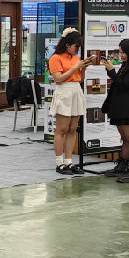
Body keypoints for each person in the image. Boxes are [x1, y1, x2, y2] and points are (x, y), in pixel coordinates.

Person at [100, 39, 129, 183]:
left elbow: (123, 84)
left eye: (124, 52)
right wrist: (111, 71)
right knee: (125, 138)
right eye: (120, 52)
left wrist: (111, 71)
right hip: (120, 105)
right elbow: (119, 82)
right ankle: (123, 166)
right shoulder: (128, 65)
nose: (121, 55)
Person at [48, 28, 92, 175]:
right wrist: (75, 67)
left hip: (75, 91)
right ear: (67, 45)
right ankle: (59, 163)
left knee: (73, 129)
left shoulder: (76, 58)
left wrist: (83, 68)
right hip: (64, 91)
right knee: (61, 129)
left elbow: (80, 79)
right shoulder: (55, 58)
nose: (77, 50)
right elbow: (58, 78)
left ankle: (68, 161)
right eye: (76, 46)